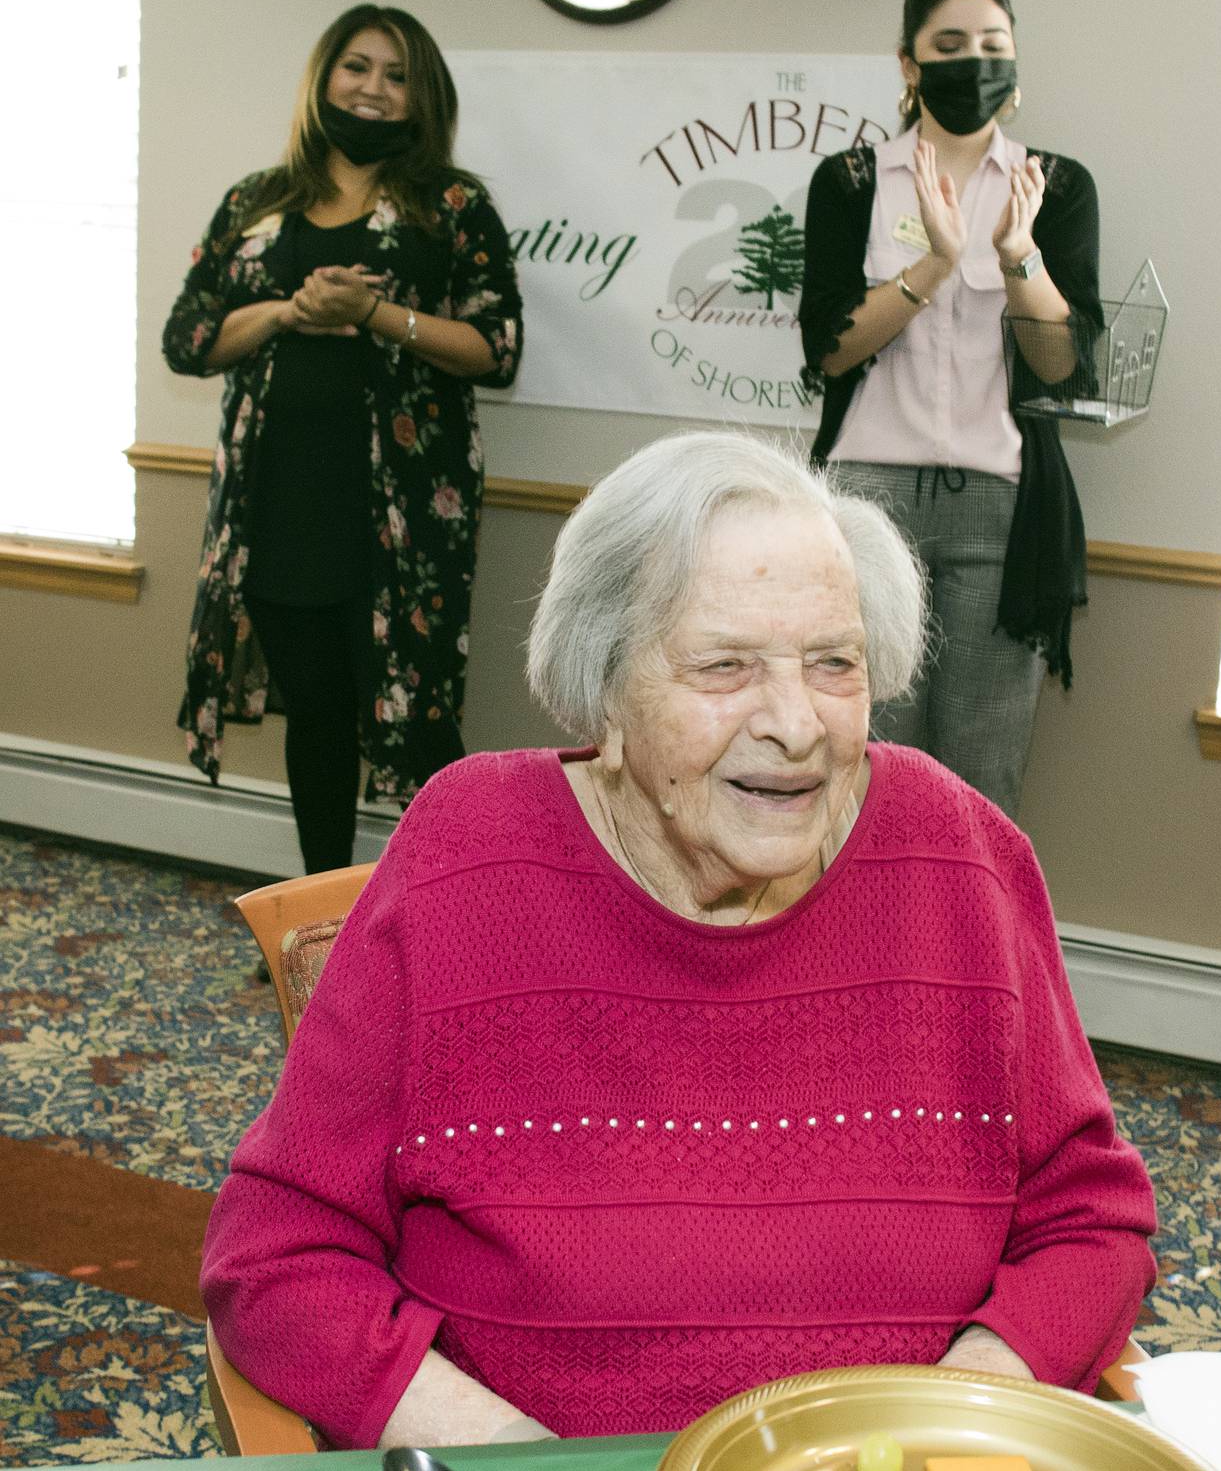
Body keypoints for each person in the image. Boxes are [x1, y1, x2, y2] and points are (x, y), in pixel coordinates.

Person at [200, 430, 1155, 1449]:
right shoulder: (464, 857)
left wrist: (943, 1417)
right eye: (724, 665)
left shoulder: (963, 854)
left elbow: (1091, 1218)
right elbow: (276, 1255)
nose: (794, 722)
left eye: (835, 662)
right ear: (605, 685)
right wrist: (524, 1458)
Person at [162, 4, 521, 871]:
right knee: (316, 711)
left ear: (421, 96)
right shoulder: (257, 202)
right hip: (279, 502)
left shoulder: (453, 205)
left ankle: (439, 914)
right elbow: (188, 338)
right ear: (324, 75)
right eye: (357, 66)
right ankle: (322, 920)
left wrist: (375, 313)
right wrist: (288, 311)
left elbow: (496, 350)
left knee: (417, 720)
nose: (373, 89)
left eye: (397, 75)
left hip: (403, 519)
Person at [799, 0, 1104, 819]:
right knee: (861, 756)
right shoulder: (852, 181)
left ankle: (962, 950)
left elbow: (1059, 363)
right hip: (868, 495)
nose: (973, 62)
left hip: (1000, 506)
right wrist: (933, 264)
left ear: (1016, 64)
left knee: (980, 767)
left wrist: (1018, 257)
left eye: (992, 46)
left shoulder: (1057, 185)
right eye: (949, 45)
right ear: (909, 64)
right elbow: (828, 351)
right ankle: (854, 947)